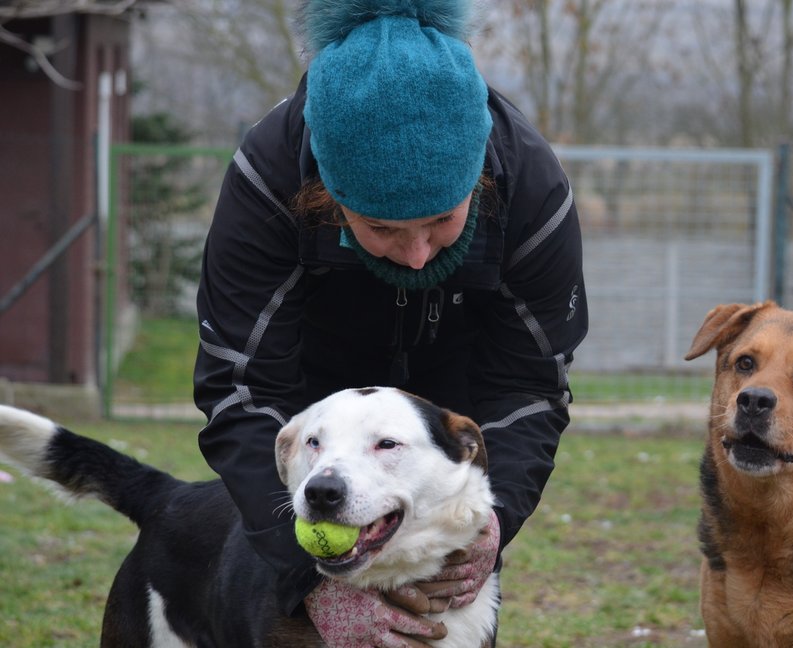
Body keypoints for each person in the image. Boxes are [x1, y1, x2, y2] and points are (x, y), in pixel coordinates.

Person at [193, 0, 588, 644]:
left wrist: (489, 526)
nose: (417, 254)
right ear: (327, 195)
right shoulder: (268, 178)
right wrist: (307, 577)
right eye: (381, 228)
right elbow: (240, 388)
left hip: (447, 405)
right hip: (312, 402)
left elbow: (529, 388)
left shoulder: (532, 190)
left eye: (441, 220)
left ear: (478, 184)